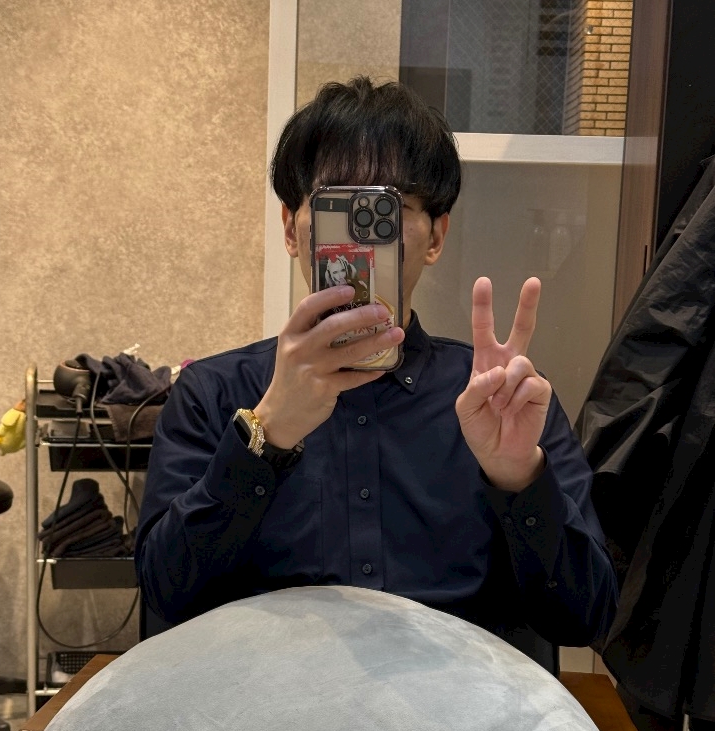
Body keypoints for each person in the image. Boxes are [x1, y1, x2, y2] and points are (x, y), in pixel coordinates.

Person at [134, 76, 618, 671]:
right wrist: (265, 436)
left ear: (436, 235)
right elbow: (167, 596)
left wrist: (519, 478)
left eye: (386, 210)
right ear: (290, 229)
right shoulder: (213, 395)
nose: (360, 237)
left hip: (461, 715)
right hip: (269, 708)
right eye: (336, 207)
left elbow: (585, 618)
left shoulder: (499, 399)